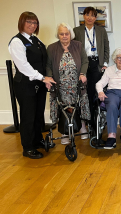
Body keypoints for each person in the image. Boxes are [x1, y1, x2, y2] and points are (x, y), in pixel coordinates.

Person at [8, 12, 56, 159]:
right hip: (25, 85)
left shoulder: (35, 39)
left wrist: (45, 79)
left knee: (38, 114)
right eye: (29, 22)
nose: (32, 25)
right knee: (28, 116)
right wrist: (43, 78)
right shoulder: (17, 42)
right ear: (21, 22)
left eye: (35, 23)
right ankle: (28, 147)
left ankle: (37, 140)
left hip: (40, 84)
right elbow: (23, 66)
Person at [46, 23, 90, 144]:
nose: (64, 36)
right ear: (58, 35)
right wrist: (49, 77)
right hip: (60, 84)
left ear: (71, 34)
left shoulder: (78, 45)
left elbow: (85, 61)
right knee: (63, 106)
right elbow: (48, 65)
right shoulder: (51, 48)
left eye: (67, 33)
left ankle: (81, 126)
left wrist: (82, 74)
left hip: (77, 83)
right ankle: (65, 131)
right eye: (62, 34)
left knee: (78, 104)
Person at [73, 7, 110, 132]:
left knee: (96, 92)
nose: (90, 17)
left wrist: (104, 63)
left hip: (96, 64)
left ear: (95, 18)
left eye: (93, 15)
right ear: (84, 16)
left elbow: (106, 47)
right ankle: (86, 122)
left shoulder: (101, 30)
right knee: (85, 93)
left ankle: (96, 121)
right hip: (83, 63)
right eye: (87, 14)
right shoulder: (76, 31)